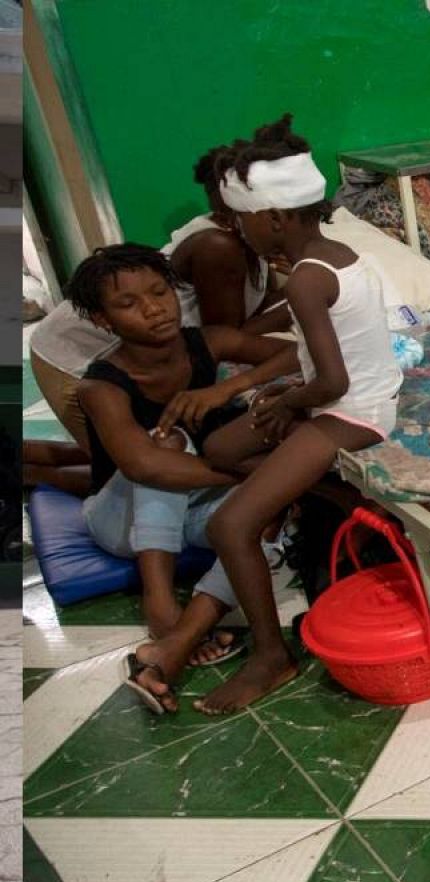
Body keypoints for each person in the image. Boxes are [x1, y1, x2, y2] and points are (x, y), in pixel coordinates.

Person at [180, 114, 402, 715]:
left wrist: (286, 400)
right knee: (222, 450)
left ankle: (270, 658)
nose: (236, 230)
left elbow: (334, 380)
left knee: (230, 526)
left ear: (275, 218)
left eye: (241, 219)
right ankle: (318, 493)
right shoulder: (335, 252)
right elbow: (328, 360)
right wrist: (287, 397)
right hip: (335, 397)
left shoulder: (306, 281)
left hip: (352, 411)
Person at [63, 244, 299, 712]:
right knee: (165, 442)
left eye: (160, 292)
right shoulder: (101, 385)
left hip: (195, 508)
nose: (154, 310)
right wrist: (252, 474)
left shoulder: (207, 342)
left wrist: (227, 387)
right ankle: (160, 602)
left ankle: (177, 640)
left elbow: (295, 355)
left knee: (271, 512)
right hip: (120, 520)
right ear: (102, 319)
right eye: (129, 304)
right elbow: (142, 467)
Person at [27, 140, 285, 453]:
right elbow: (223, 341)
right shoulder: (219, 248)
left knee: (148, 456)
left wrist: (299, 281)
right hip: (72, 352)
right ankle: (27, 466)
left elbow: (265, 305)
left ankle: (30, 460)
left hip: (138, 353)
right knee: (120, 469)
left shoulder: (252, 241)